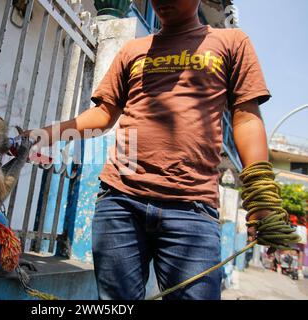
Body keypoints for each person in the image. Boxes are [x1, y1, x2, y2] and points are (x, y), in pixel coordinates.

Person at [22, 0, 273, 299]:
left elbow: (246, 119)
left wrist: (261, 197)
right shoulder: (132, 50)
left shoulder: (232, 42)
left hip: (191, 207)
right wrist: (42, 136)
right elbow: (102, 117)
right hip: (120, 201)